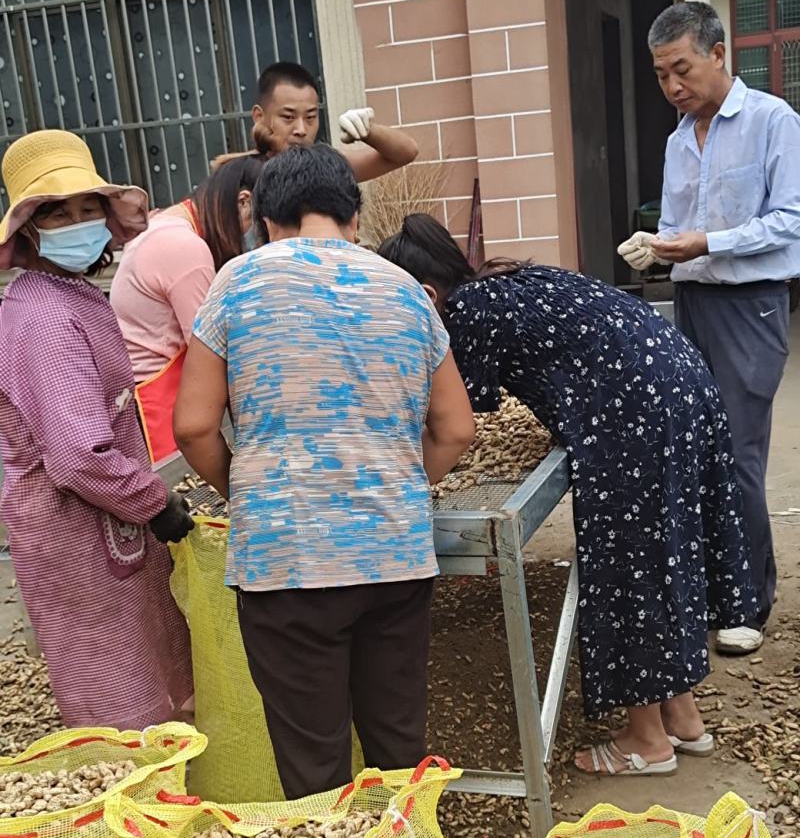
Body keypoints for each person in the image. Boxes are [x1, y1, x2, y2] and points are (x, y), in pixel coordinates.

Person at [379, 214, 757, 778]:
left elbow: (459, 412)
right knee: (662, 556)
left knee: (627, 563)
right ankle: (682, 718)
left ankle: (647, 742)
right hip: (680, 387)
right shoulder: (506, 282)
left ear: (425, 294)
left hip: (634, 414)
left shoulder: (466, 314)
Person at [173, 145, 475, 798]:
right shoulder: (405, 289)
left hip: (286, 564)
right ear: (352, 215)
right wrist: (396, 478)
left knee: (314, 769)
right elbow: (457, 428)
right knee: (400, 752)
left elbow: (193, 426)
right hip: (395, 557)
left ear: (266, 219)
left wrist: (248, 491)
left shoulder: (238, 282)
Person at [620, 0, 800, 655]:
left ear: (719, 55)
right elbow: (678, 233)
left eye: (682, 69)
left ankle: (750, 604)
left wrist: (707, 242)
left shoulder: (772, 122)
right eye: (662, 75)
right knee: (692, 449)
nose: (673, 86)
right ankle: (708, 594)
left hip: (751, 304)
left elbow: (792, 220)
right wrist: (657, 248)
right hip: (692, 304)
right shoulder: (676, 140)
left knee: (740, 455)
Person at [0, 130, 194, 730]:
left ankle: (166, 800)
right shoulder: (41, 317)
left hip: (105, 522)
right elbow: (77, 454)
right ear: (30, 228)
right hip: (76, 532)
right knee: (117, 695)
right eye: (60, 212)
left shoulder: (70, 294)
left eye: (90, 209)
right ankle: (135, 809)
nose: (81, 223)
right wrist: (152, 500)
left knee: (151, 673)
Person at [110, 154, 263, 465]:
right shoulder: (186, 248)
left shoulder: (166, 222)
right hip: (155, 405)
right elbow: (218, 354)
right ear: (244, 203)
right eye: (262, 227)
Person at [251, 59, 419, 180]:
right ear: (259, 116)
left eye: (310, 117)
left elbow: (406, 152)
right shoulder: (240, 173)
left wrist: (368, 131)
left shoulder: (326, 167)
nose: (301, 130)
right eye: (288, 117)